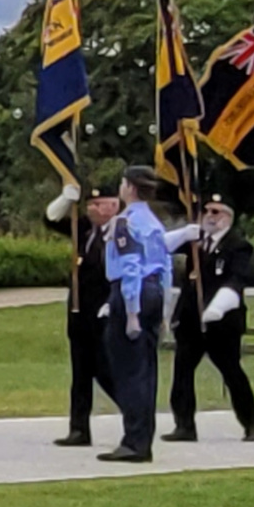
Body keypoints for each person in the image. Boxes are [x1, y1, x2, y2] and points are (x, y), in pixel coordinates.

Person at [162, 193, 254, 443]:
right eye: (207, 211)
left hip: (222, 322)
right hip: (191, 320)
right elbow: (162, 246)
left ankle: (250, 423)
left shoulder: (238, 246)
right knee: (182, 372)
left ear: (227, 217)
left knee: (231, 372)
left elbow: (237, 279)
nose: (209, 216)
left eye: (216, 212)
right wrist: (185, 232)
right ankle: (184, 425)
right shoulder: (196, 241)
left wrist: (219, 306)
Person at [98, 165, 172, 464]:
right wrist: (165, 310)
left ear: (129, 187)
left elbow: (130, 266)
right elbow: (164, 265)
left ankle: (134, 440)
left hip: (133, 292)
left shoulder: (124, 223)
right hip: (154, 290)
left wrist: (131, 312)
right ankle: (142, 438)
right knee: (146, 370)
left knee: (128, 370)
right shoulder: (154, 222)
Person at [44, 180, 119, 446]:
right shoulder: (84, 229)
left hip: (106, 311)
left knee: (105, 369)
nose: (93, 210)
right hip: (79, 313)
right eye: (90, 205)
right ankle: (79, 429)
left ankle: (134, 412)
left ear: (114, 205)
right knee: (81, 373)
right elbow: (50, 219)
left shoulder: (122, 232)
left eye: (99, 204)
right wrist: (66, 198)